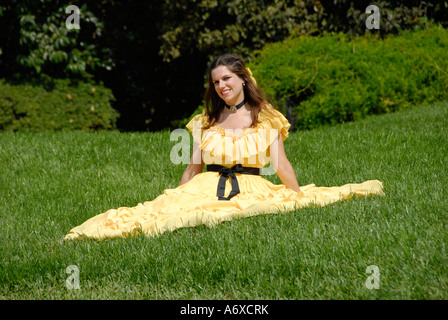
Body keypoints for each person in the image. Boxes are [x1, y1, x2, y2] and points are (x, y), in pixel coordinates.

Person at [64, 54, 384, 241]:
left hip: (251, 183)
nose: (221, 86)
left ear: (243, 79)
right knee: (164, 214)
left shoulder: (266, 116)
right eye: (216, 82)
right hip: (206, 183)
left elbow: (281, 165)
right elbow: (193, 168)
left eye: (227, 79)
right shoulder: (205, 120)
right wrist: (175, 197)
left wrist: (297, 196)